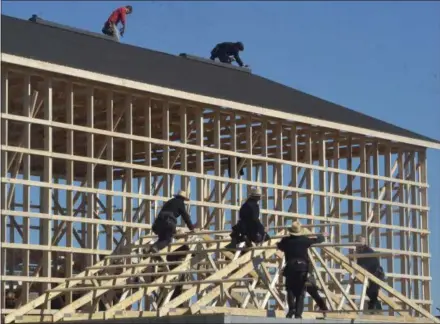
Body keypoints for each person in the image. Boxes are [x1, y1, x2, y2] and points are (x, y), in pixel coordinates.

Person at [277, 221, 327, 319]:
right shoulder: (304, 240)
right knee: (300, 292)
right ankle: (298, 314)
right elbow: (317, 240)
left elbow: (279, 245)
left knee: (290, 290)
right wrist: (323, 235)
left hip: (290, 268)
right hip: (302, 268)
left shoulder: (286, 240)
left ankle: (291, 311)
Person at [354, 235, 385, 311]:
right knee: (370, 292)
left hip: (376, 274)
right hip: (371, 275)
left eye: (357, 244)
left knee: (372, 292)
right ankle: (375, 309)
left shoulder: (367, 251)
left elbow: (368, 264)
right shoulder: (360, 252)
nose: (356, 247)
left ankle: (375, 309)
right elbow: (360, 265)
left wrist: (359, 270)